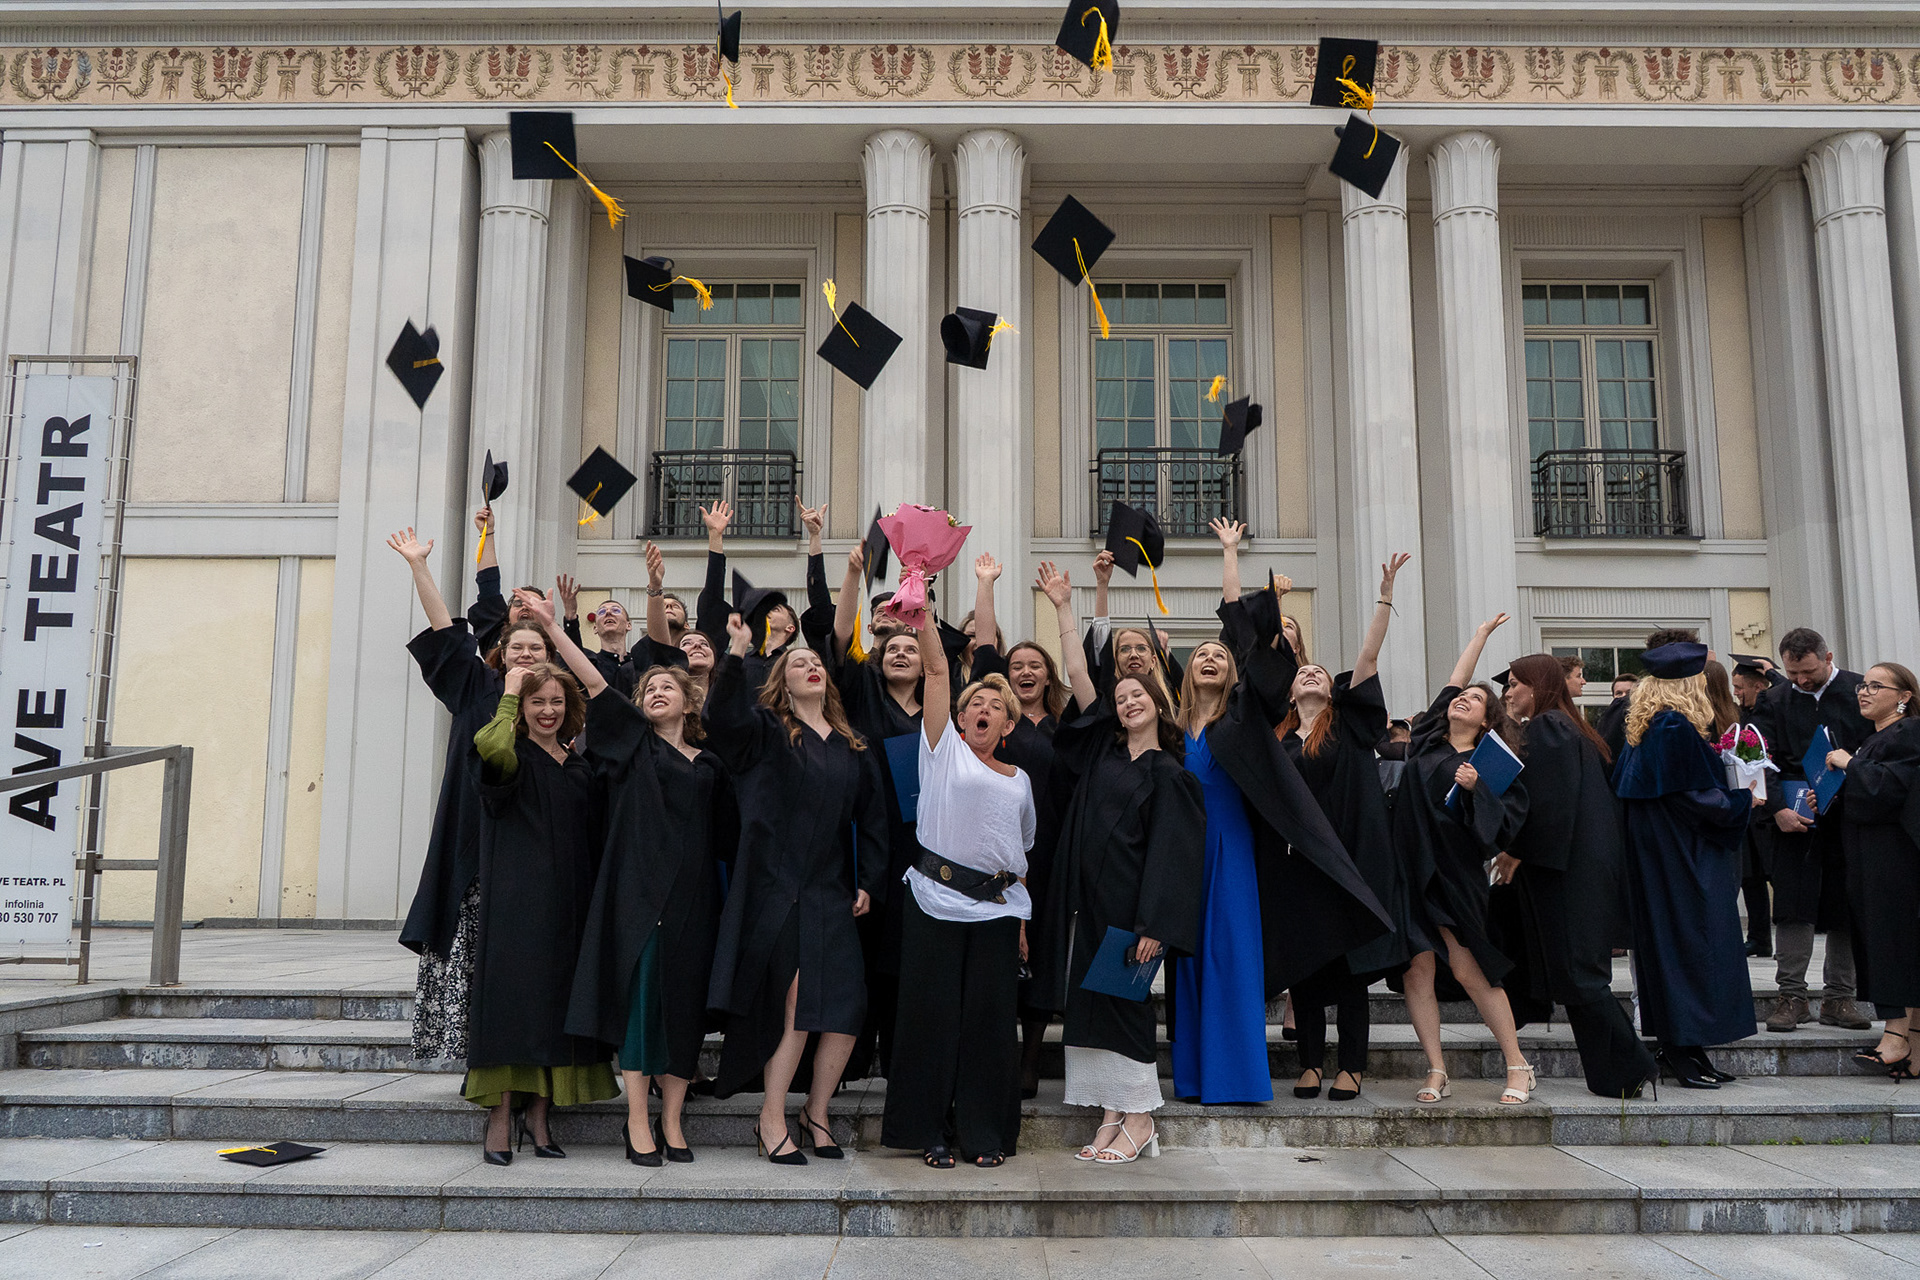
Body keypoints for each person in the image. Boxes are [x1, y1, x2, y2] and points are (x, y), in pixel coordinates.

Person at [528, 592, 736, 1167]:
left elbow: (727, 840)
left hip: (695, 903)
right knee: (643, 1012)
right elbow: (596, 684)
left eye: (668, 687)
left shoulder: (710, 764)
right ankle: (638, 1120)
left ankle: (673, 1119)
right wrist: (554, 628)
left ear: (690, 702)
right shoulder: (632, 745)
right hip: (640, 899)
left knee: (685, 1012)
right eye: (648, 689)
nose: (657, 692)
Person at [1029, 562, 1204, 1164]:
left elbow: (1175, 857)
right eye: (1121, 697)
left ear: (1159, 704)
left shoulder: (1171, 776)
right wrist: (1063, 608)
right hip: (1086, 906)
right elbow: (1080, 674)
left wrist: (1156, 924)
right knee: (1089, 1009)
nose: (1128, 702)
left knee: (1125, 1010)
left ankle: (1141, 1117)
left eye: (1139, 696)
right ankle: (1110, 1112)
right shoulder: (1102, 750)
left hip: (1132, 914)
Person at [703, 618, 888, 1165]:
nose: (811, 666)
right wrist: (736, 652)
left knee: (848, 1005)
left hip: (830, 886)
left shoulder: (852, 744)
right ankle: (771, 1117)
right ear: (781, 682)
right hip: (776, 885)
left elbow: (873, 818)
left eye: (816, 663)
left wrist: (869, 880)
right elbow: (720, 720)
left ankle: (817, 1111)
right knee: (798, 1002)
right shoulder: (766, 731)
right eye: (798, 663)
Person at [390, 527, 556, 1063]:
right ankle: (479, 1055)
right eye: (517, 647)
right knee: (472, 939)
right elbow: (445, 628)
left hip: (534, 838)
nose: (526, 654)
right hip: (475, 831)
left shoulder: (559, 702)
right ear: (502, 654)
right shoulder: (475, 686)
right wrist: (419, 565)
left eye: (536, 647)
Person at [881, 611, 1036, 1169]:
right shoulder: (941, 749)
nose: (984, 709)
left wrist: (1022, 924)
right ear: (960, 718)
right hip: (935, 902)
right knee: (931, 1018)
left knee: (990, 1025)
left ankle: (985, 1133)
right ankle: (930, 1131)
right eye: (975, 704)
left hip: (999, 911)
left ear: (1008, 725)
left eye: (996, 706)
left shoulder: (1020, 781)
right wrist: (920, 611)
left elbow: (1019, 854)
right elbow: (937, 671)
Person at [826, 543, 977, 1079]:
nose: (899, 653)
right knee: (862, 952)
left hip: (922, 845)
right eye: (891, 647)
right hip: (866, 841)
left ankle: (899, 1063)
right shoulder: (861, 693)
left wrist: (924, 599)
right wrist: (852, 574)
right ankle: (848, 1063)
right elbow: (839, 641)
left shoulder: (941, 713)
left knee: (907, 956)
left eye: (910, 647)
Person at [1272, 546, 1413, 1103]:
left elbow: (1369, 657)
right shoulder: (1278, 739)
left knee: (1351, 969)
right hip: (1298, 867)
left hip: (1349, 861)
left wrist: (1384, 599)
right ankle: (1310, 1063)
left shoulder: (1350, 727)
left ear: (1331, 690)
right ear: (1290, 690)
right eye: (1302, 672)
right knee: (1305, 965)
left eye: (1319, 673)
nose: (1310, 672)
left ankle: (1350, 1066)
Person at [466, 659, 617, 1163]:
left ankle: (539, 1115)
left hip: (571, 903)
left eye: (556, 701)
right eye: (537, 702)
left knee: (559, 1005)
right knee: (513, 1005)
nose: (548, 710)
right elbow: (489, 747)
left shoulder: (579, 764)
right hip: (517, 902)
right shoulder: (511, 754)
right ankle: (500, 1115)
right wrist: (509, 694)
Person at [1499, 655, 1660, 1097]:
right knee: (1577, 976)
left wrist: (1515, 850)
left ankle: (1634, 1066)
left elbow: (1549, 805)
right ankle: (1615, 1076)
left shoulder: (1548, 728)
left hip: (1568, 873)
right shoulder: (1568, 727)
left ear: (1537, 686)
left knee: (1579, 976)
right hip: (1580, 869)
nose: (1508, 693)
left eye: (1514, 684)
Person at [1395, 613, 1538, 1106]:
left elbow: (1504, 824)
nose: (1463, 700)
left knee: (1469, 969)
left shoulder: (1489, 764)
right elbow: (1454, 681)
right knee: (1416, 971)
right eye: (1463, 697)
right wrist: (1479, 636)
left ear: (1487, 720)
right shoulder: (1425, 742)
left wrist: (1479, 790)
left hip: (1455, 875)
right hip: (1410, 869)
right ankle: (1436, 1069)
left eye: (1476, 700)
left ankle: (1517, 1064)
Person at [1614, 641, 1760, 1087]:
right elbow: (1695, 798)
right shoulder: (1673, 726)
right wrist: (1743, 799)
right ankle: (1681, 1048)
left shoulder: (1652, 724)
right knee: (1691, 943)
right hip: (1681, 855)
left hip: (1662, 851)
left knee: (1678, 943)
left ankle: (1689, 1048)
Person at [1752, 627, 1874, 1033]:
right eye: (1792, 673)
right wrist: (1778, 809)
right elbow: (1761, 759)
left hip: (1848, 815)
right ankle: (1791, 997)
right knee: (1792, 904)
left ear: (1828, 658)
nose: (1801, 680)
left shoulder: (1860, 692)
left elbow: (1876, 750)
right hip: (1794, 816)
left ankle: (1840, 998)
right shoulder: (1774, 699)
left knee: (1846, 904)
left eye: (1808, 672)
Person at [1830, 664, 1920, 1077]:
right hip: (1870, 853)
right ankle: (1913, 1052)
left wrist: (1849, 764)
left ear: (1903, 696)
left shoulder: (1908, 731)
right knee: (1893, 941)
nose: (1863, 692)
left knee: (1892, 941)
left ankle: (1896, 1037)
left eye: (1875, 686)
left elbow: (1890, 788)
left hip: (1893, 858)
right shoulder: (1875, 737)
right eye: (1862, 685)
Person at [1730, 660, 1777, 959]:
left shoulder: (1773, 708)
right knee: (1751, 876)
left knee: (1775, 874)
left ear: (1758, 687)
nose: (1735, 692)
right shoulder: (1740, 715)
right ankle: (1759, 938)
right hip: (1748, 805)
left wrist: (1771, 672)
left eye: (1739, 687)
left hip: (1771, 806)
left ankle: (1787, 936)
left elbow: (1788, 689)